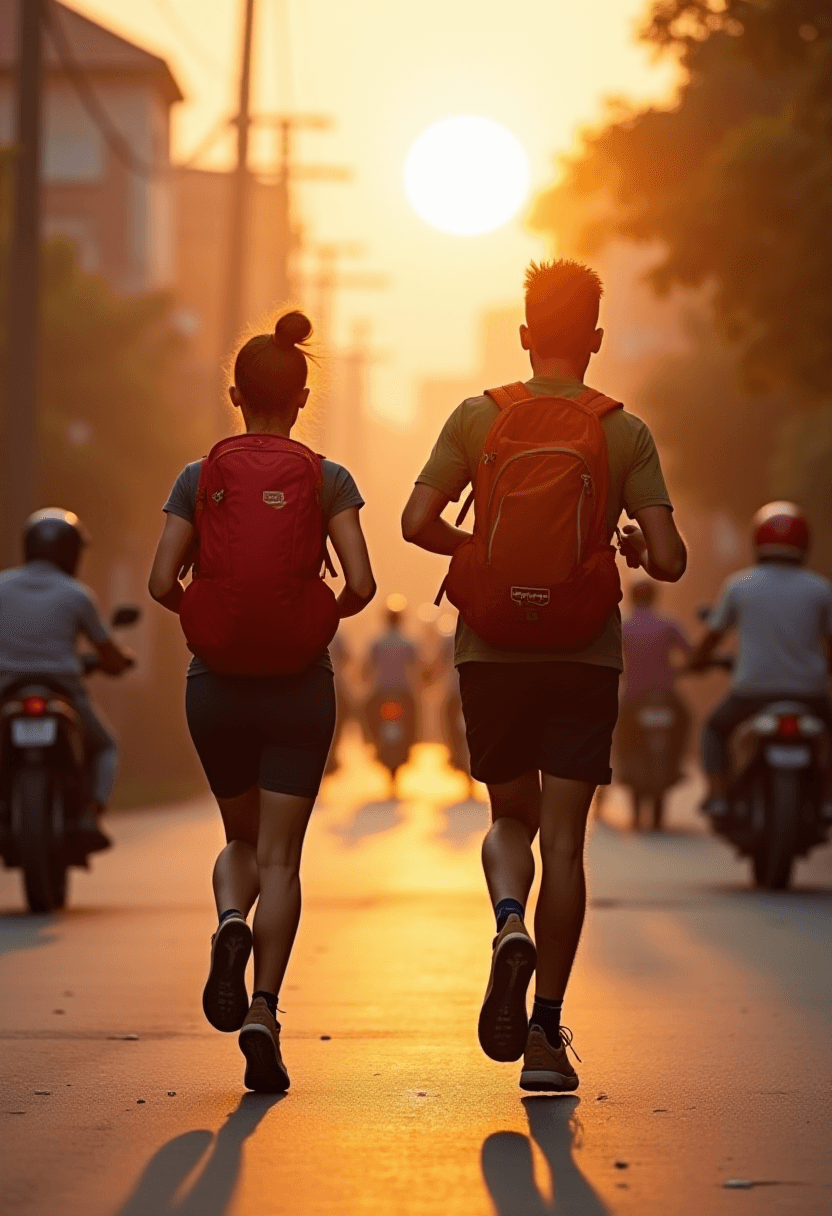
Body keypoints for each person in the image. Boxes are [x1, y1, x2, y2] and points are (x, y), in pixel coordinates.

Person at [402, 259, 686, 1092]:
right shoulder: (624, 431)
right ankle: (545, 1035)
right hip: (581, 653)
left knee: (510, 819)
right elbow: (668, 559)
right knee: (565, 842)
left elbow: (418, 521)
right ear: (596, 340)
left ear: (525, 334)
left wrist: (483, 557)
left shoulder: (476, 418)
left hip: (492, 649)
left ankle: (505, 922)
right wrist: (624, 544)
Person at [149, 311, 376, 1093]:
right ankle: (264, 1012)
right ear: (303, 396)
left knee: (238, 843)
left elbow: (158, 585)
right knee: (282, 856)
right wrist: (312, 617)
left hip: (214, 689)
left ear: (234, 394)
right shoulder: (328, 476)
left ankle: (229, 922)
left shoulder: (196, 476)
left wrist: (212, 621)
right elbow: (362, 585)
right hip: (297, 689)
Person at [0, 509, 134, 850]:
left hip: (6, 688)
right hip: (63, 689)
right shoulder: (76, 594)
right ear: (72, 552)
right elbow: (107, 652)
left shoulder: (2, 586)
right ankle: (91, 814)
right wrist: (121, 661)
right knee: (105, 746)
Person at [689, 501, 832, 817]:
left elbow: (712, 638)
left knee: (714, 729)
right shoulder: (821, 589)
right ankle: (826, 798)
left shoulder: (740, 585)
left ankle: (718, 796)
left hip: (751, 692)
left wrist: (695, 662)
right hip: (810, 693)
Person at [616, 579, 692, 825]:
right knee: (686, 720)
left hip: (633, 696)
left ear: (631, 597)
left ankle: (624, 766)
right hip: (665, 695)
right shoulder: (668, 623)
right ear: (654, 597)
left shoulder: (623, 625)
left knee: (621, 735)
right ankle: (678, 761)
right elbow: (690, 653)